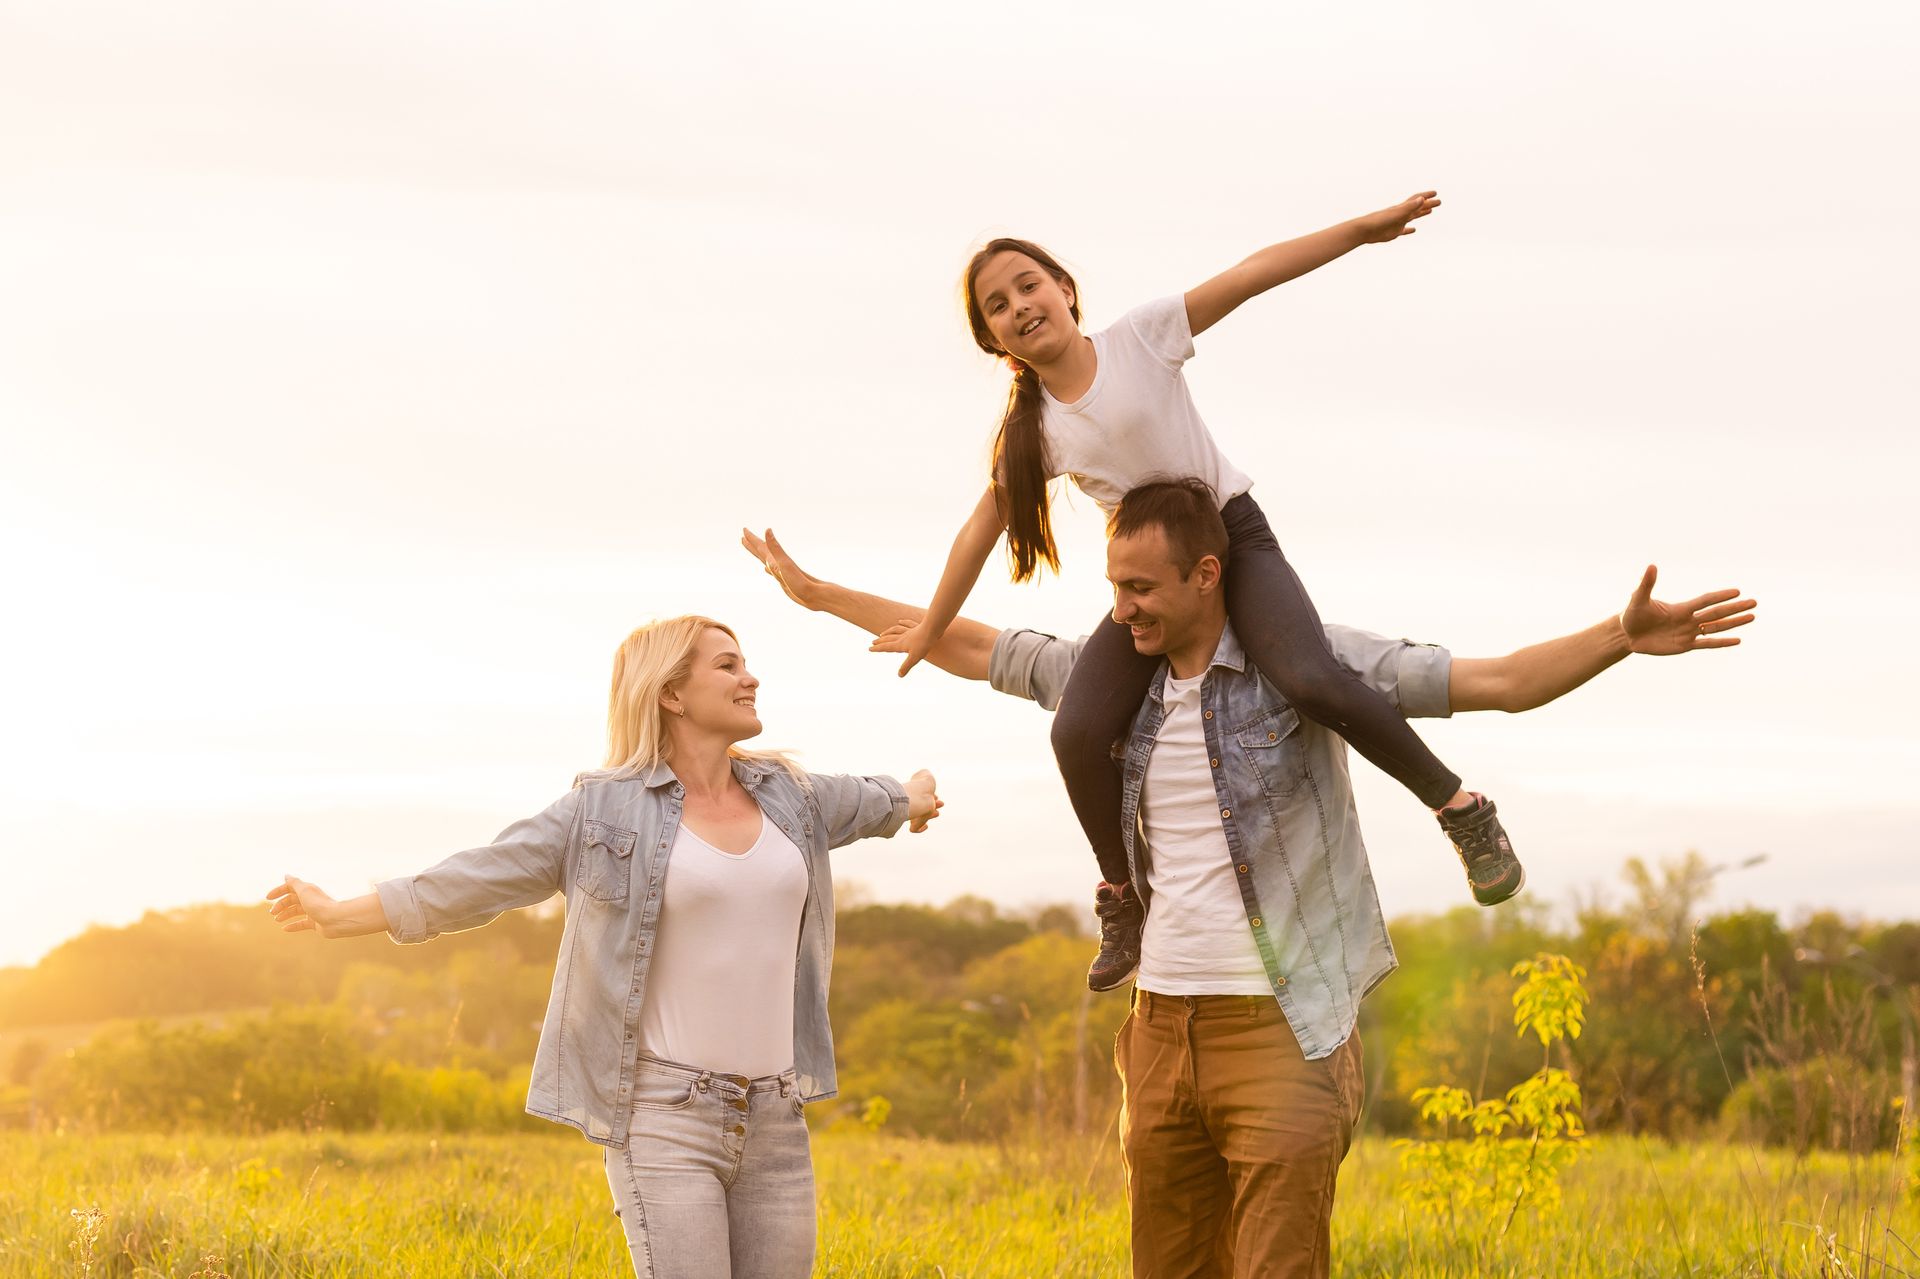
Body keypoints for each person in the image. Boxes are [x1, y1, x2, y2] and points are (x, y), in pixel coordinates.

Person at [742, 489, 1755, 1279]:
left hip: (1284, 1027)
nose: (1122, 609)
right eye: (1112, 586)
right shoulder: (1107, 678)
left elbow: (1495, 682)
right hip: (1162, 1029)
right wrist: (824, 595)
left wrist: (1620, 636)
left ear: (1207, 574)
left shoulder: (1304, 664)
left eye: (1142, 588)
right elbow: (961, 639)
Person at [867, 195, 1521, 994]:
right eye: (997, 307)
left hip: (1233, 542)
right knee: (1076, 730)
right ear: (992, 338)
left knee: (1311, 677)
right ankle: (1123, 896)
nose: (1019, 307)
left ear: (1065, 289)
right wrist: (930, 628)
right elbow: (979, 534)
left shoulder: (1142, 337)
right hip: (1154, 587)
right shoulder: (1031, 432)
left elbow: (1249, 277)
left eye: (1027, 285)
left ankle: (1461, 808)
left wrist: (1358, 232)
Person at [265, 615, 942, 1279]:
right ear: (671, 693)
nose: (750, 677)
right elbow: (479, 876)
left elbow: (879, 799)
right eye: (728, 665)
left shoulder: (793, 796)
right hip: (665, 1118)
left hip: (776, 1119)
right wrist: (339, 913)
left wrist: (916, 796)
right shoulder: (602, 810)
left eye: (745, 662)